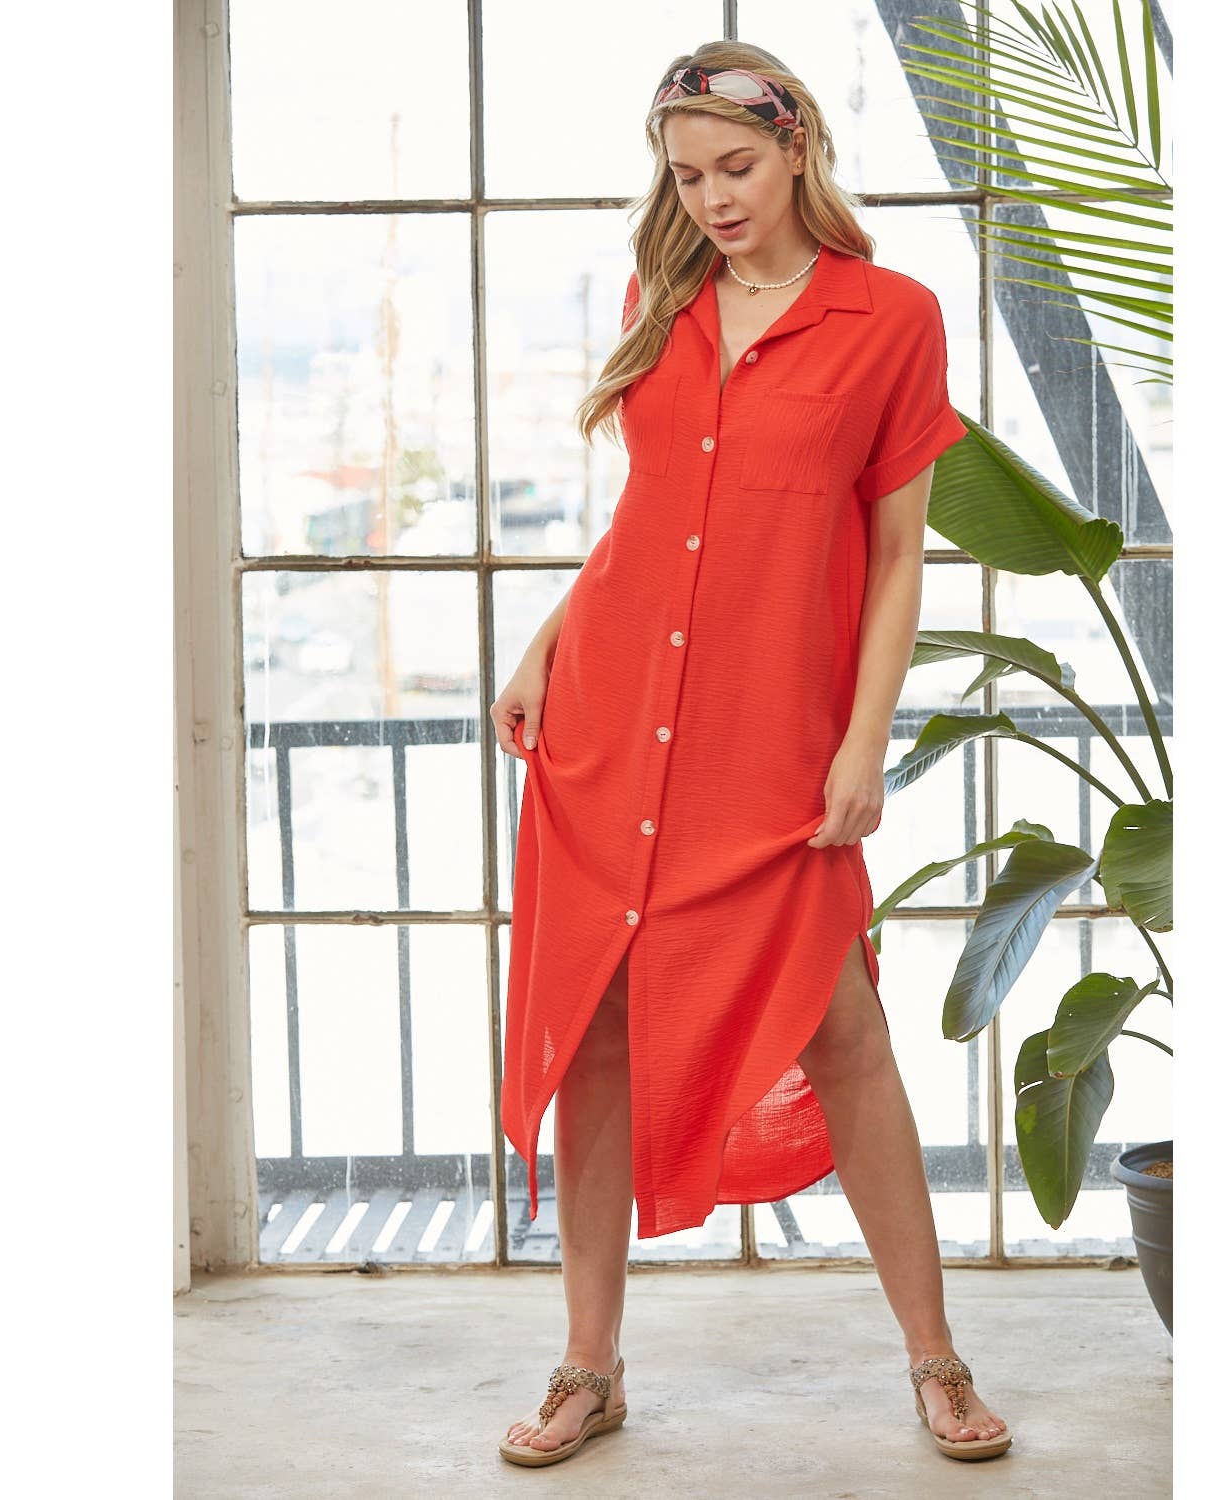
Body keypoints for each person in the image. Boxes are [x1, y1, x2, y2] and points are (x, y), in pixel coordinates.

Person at [490, 39, 1012, 1469]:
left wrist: (863, 741)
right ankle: (588, 1367)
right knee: (600, 1035)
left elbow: (896, 557)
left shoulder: (889, 318)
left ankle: (936, 1358)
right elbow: (655, 515)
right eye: (685, 176)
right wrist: (545, 644)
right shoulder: (660, 301)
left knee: (843, 1034)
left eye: (736, 167)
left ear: (797, 151)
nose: (713, 199)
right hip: (611, 723)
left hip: (767, 744)